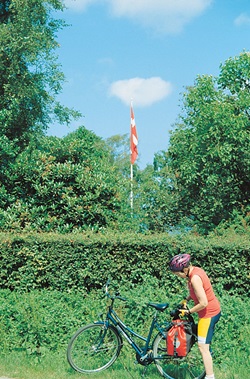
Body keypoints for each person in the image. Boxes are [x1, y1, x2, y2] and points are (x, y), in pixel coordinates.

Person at [169, 253, 221, 379]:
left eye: (178, 274)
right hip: (210, 312)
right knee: (202, 344)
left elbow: (203, 302)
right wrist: (187, 299)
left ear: (184, 269)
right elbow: (197, 292)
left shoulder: (194, 278)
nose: (178, 276)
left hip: (208, 314)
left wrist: (189, 311)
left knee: (203, 347)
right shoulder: (195, 271)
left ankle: (210, 377)